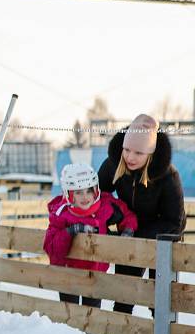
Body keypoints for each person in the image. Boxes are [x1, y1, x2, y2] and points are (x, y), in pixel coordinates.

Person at [97, 114, 187, 314]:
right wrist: (113, 217)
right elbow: (98, 196)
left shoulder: (168, 176)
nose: (130, 157)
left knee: (160, 300)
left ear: (150, 153)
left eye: (138, 152)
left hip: (162, 239)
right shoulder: (115, 164)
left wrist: (137, 234)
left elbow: (175, 221)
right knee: (124, 294)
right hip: (130, 234)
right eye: (127, 150)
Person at [44, 163, 137, 309]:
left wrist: (128, 229)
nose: (85, 197)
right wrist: (71, 231)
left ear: (96, 190)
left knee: (92, 316)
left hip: (95, 274)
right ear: (69, 194)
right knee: (71, 317)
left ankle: (91, 333)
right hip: (69, 276)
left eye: (89, 191)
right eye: (78, 192)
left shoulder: (104, 205)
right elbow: (52, 249)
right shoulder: (61, 214)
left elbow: (127, 215)